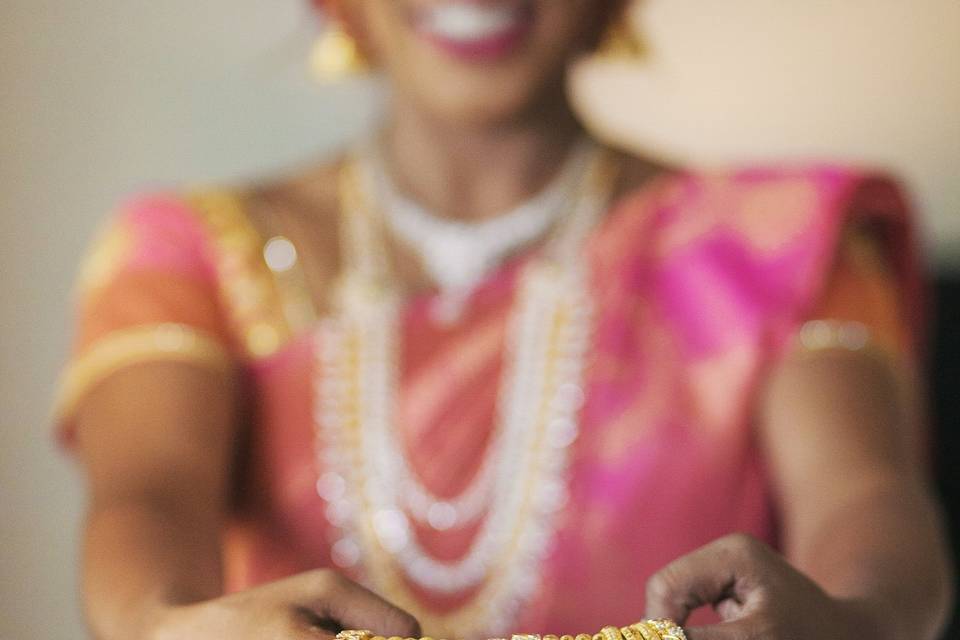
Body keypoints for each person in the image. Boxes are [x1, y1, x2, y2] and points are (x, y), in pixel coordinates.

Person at [55, 1, 954, 639]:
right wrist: (166, 629)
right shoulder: (188, 251)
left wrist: (853, 624)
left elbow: (864, 499)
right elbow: (147, 498)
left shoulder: (787, 243)